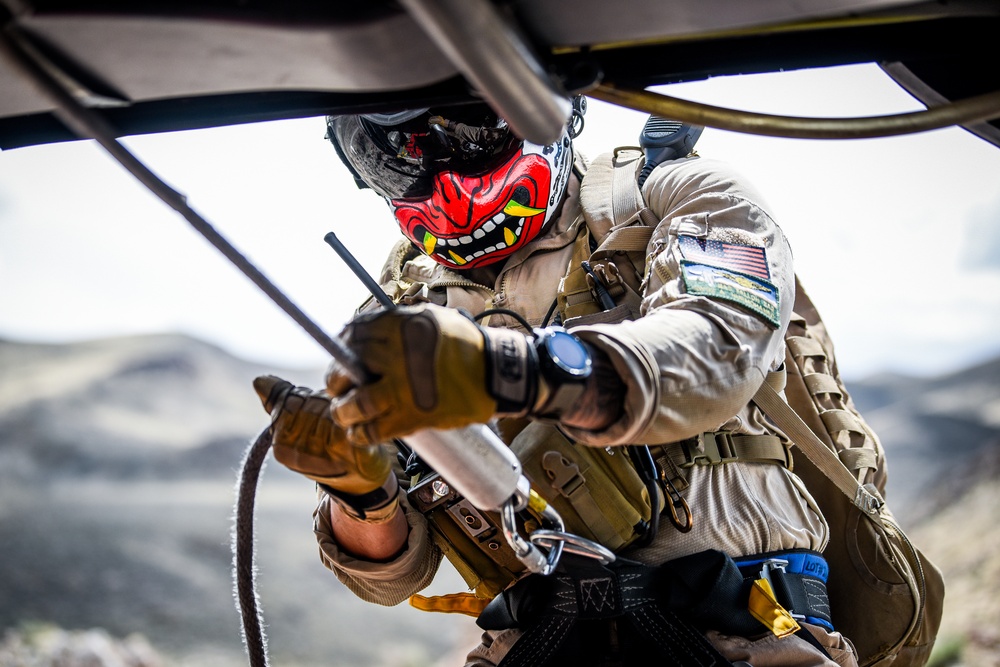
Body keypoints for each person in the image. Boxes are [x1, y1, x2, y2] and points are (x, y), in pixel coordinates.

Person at [253, 101, 860, 667]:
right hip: (541, 647)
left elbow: (717, 348)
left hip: (743, 633)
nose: (430, 170)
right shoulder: (403, 308)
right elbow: (392, 578)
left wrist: (507, 371)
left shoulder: (671, 197)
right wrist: (358, 494)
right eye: (391, 154)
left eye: (462, 132)